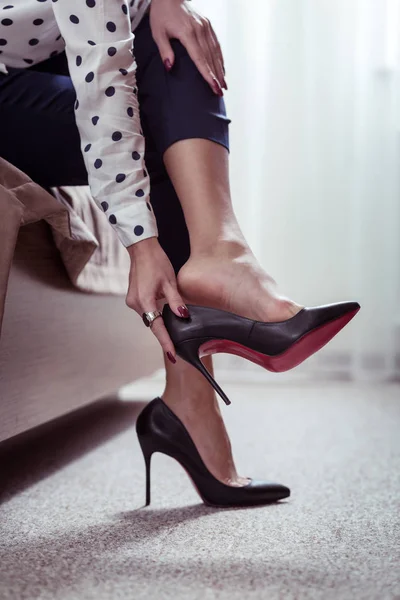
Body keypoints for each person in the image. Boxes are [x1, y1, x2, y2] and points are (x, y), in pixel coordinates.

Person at [0, 0, 359, 507]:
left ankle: (220, 257)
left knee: (175, 33)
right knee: (154, 109)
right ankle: (194, 395)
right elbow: (105, 77)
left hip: (29, 59)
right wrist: (141, 243)